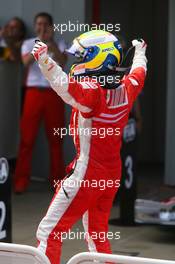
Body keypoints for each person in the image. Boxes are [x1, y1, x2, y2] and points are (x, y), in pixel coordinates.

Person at [31, 30, 147, 264]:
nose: (79, 62)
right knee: (97, 236)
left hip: (86, 175)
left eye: (84, 56)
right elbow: (139, 73)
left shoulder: (94, 93)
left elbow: (65, 87)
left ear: (99, 57)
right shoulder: (127, 88)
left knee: (49, 232)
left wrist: (45, 61)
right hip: (111, 173)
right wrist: (140, 52)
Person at [14, 13, 67, 193]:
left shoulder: (58, 43)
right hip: (33, 93)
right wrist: (40, 44)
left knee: (56, 140)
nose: (41, 27)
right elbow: (26, 62)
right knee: (27, 139)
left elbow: (63, 62)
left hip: (54, 93)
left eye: (45, 24)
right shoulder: (29, 43)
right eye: (38, 24)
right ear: (35, 26)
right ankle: (21, 181)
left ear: (51, 26)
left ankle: (57, 180)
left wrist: (50, 43)